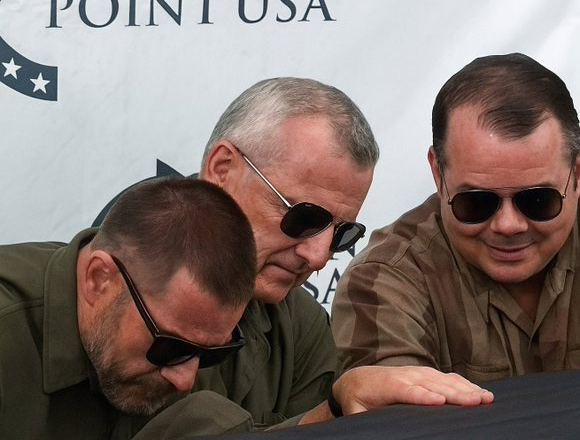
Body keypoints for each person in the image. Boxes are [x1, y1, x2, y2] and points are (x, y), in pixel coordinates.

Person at [133, 77, 493, 438]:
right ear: (222, 170)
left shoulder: (300, 324)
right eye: (304, 217)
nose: (319, 257)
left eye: (342, 233)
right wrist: (329, 411)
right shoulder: (127, 292)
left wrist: (336, 409)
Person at [332, 53, 580, 382]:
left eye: (538, 200)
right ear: (438, 174)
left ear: (577, 173)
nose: (508, 225)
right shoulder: (385, 280)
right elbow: (398, 415)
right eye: (477, 203)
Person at [0, 177, 257, 439]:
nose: (185, 380)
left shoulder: (184, 339)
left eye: (214, 354)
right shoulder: (8, 334)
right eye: (171, 347)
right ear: (98, 279)